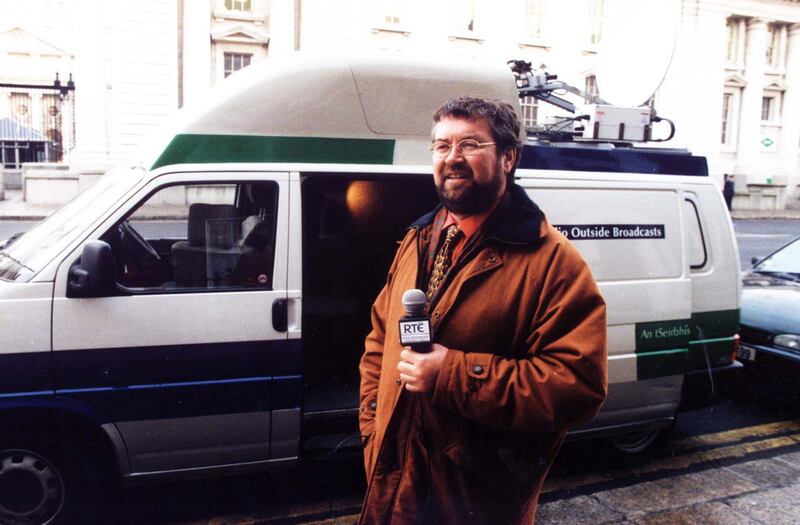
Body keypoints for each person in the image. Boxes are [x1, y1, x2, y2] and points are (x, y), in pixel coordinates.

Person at [358, 96, 607, 524]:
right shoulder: (418, 239)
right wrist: (372, 430)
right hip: (397, 486)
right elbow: (381, 340)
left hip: (475, 500)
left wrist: (451, 374)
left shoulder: (553, 261)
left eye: (470, 145)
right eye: (441, 146)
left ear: (508, 157)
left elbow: (578, 384)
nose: (452, 159)